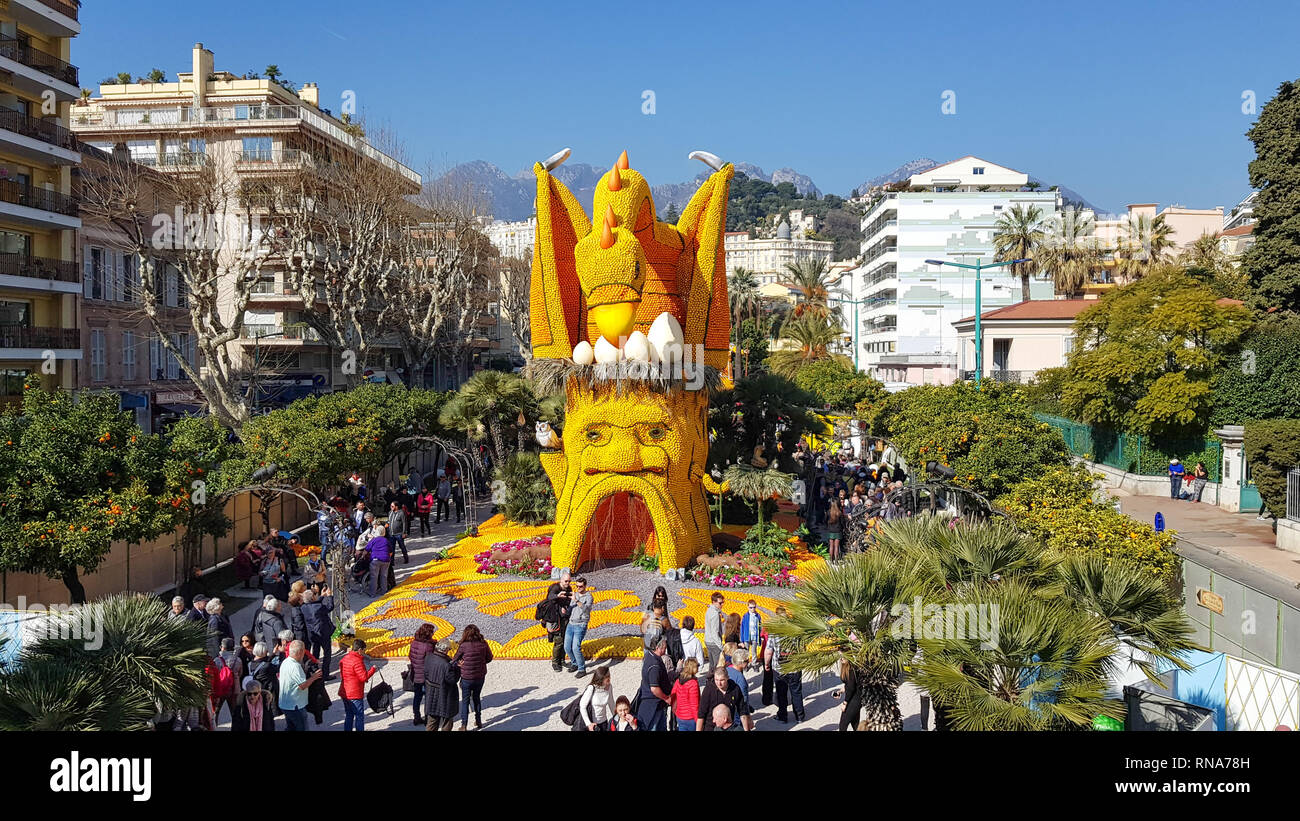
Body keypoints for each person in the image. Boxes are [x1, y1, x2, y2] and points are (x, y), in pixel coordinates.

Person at [451, 624, 494, 731]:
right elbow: (489, 658)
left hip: (466, 677)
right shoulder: (483, 644)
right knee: (476, 698)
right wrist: (481, 662)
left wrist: (460, 664)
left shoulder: (464, 646)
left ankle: (464, 725)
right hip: (479, 676)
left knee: (465, 701)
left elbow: (455, 659)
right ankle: (478, 720)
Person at [765, 623, 805, 724]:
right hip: (795, 667)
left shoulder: (774, 633)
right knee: (796, 692)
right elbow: (803, 648)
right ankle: (799, 716)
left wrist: (766, 664)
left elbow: (769, 651)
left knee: (781, 693)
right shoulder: (796, 630)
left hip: (779, 668)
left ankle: (783, 716)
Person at [278, 640, 321, 731]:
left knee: (291, 728)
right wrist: (314, 677)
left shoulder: (285, 662)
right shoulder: (295, 666)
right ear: (300, 652)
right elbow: (302, 685)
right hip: (295, 706)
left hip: (286, 704)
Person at [635, 635, 673, 731]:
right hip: (653, 704)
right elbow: (654, 689)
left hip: (656, 702)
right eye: (664, 647)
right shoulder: (654, 666)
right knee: (655, 726)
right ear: (657, 648)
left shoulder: (649, 655)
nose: (665, 649)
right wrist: (666, 698)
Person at [339, 639, 378, 732]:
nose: (364, 653)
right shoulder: (357, 661)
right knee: (359, 716)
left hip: (344, 691)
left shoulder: (345, 658)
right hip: (355, 693)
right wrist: (373, 669)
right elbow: (363, 677)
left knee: (349, 715)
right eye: (364, 650)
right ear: (360, 649)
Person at [423, 638, 460, 731]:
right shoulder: (446, 665)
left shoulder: (428, 657)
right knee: (447, 722)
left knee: (432, 721)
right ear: (446, 650)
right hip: (445, 695)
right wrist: (458, 669)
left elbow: (425, 673)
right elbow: (452, 680)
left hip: (431, 693)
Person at [698, 664, 749, 731]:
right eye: (716, 680)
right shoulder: (709, 690)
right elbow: (701, 714)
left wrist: (746, 729)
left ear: (727, 678)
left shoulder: (735, 689)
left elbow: (742, 711)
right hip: (710, 727)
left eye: (722, 680)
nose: (719, 683)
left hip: (727, 727)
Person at [301, 587, 335, 680]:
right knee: (327, 654)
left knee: (315, 652)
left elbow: (313, 604)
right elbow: (330, 607)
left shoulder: (303, 607)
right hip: (323, 633)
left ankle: (315, 671)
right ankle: (325, 674)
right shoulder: (319, 607)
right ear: (312, 598)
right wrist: (329, 596)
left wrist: (321, 596)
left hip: (313, 634)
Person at [542, 571, 573, 673]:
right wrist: (558, 596)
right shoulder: (555, 588)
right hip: (555, 619)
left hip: (564, 618)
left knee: (565, 640)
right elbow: (550, 598)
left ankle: (562, 659)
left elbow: (568, 601)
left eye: (569, 581)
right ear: (561, 580)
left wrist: (565, 607)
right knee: (558, 641)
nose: (567, 583)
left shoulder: (569, 588)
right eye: (565, 581)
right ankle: (555, 662)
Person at [408, 622, 437, 726]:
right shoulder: (428, 646)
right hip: (426, 676)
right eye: (432, 632)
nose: (433, 634)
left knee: (417, 697)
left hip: (416, 675)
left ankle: (416, 717)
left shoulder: (414, 642)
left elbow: (410, 656)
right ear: (428, 633)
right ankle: (427, 718)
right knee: (428, 697)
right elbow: (431, 660)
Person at [566, 576, 594, 677]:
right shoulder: (575, 594)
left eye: (580, 587)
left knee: (575, 647)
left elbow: (586, 609)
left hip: (581, 624)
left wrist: (577, 601)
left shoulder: (589, 597)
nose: (578, 588)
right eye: (577, 586)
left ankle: (582, 669)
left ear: (585, 586)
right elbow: (571, 608)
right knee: (567, 647)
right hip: (571, 623)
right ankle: (574, 663)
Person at [576, 666, 613, 732]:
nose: (609, 678)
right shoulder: (591, 688)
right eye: (607, 677)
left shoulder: (609, 687)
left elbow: (611, 703)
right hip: (592, 724)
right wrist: (588, 724)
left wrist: (617, 718)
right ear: (601, 678)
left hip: (604, 722)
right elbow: (582, 706)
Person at [670, 658, 701, 731]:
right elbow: (694, 705)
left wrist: (675, 710)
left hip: (680, 716)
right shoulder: (693, 683)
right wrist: (698, 721)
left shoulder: (678, 680)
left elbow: (673, 696)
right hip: (690, 718)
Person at [367, 526, 392, 597]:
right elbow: (390, 552)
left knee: (374, 577)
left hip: (375, 560)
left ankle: (372, 593)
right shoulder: (386, 540)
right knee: (384, 576)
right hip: (386, 560)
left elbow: (367, 549)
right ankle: (384, 591)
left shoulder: (374, 540)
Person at [837, 657, 861, 732]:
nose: (841, 658)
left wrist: (845, 702)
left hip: (855, 699)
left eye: (843, 656)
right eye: (840, 656)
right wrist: (842, 690)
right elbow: (850, 684)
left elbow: (851, 688)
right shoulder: (846, 667)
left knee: (843, 725)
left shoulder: (851, 668)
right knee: (855, 724)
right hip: (856, 698)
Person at [704, 592, 725, 672]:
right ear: (714, 602)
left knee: (712, 665)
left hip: (708, 641)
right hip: (714, 643)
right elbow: (714, 632)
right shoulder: (715, 614)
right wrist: (721, 646)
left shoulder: (710, 609)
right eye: (720, 603)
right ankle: (714, 682)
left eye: (723, 602)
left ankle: (709, 681)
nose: (722, 604)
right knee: (717, 667)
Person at [741, 601, 763, 671]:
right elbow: (742, 627)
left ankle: (754, 664)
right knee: (746, 652)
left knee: (754, 652)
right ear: (748, 607)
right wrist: (742, 639)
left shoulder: (758, 615)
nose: (752, 609)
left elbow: (759, 626)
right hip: (747, 636)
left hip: (754, 636)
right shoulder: (745, 616)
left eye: (754, 607)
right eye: (750, 607)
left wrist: (760, 636)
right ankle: (745, 665)